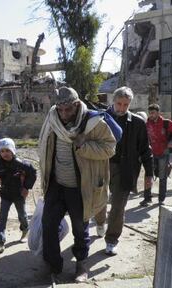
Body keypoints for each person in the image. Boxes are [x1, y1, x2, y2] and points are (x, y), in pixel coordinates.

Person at [38, 87, 116, 283]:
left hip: (81, 187)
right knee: (48, 225)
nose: (64, 115)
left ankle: (81, 263)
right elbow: (44, 145)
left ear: (77, 105)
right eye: (60, 110)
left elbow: (110, 147)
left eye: (68, 110)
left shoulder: (93, 122)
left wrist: (83, 146)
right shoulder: (53, 119)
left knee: (80, 229)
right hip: (56, 184)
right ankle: (53, 265)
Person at [94, 86, 153, 256]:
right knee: (99, 200)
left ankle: (112, 240)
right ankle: (99, 221)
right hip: (101, 167)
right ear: (113, 101)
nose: (121, 108)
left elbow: (145, 149)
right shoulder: (101, 118)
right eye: (119, 103)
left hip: (125, 169)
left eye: (125, 105)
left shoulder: (137, 123)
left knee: (118, 207)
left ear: (129, 104)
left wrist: (149, 173)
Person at [0, 138, 37, 253]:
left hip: (19, 194)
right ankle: (0, 242)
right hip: (5, 194)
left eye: (8, 150)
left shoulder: (21, 164)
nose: (5, 153)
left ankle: (25, 230)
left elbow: (33, 173)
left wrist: (26, 187)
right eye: (2, 151)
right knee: (2, 218)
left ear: (13, 151)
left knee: (22, 215)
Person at [140, 104, 172, 207]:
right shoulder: (147, 124)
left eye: (153, 113)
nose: (151, 115)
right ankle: (147, 198)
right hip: (151, 153)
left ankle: (161, 199)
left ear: (158, 113)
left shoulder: (166, 123)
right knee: (148, 176)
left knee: (162, 177)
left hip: (163, 153)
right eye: (150, 113)